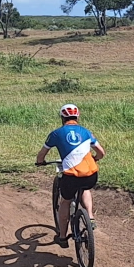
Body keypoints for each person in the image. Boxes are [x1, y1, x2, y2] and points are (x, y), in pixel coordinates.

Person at [36, 103, 104, 247]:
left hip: (71, 177)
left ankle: (62, 237)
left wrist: (40, 162)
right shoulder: (86, 132)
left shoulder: (56, 133)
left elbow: (42, 154)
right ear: (77, 117)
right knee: (85, 189)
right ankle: (90, 216)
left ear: (62, 117)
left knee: (65, 201)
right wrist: (95, 159)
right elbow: (101, 152)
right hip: (91, 175)